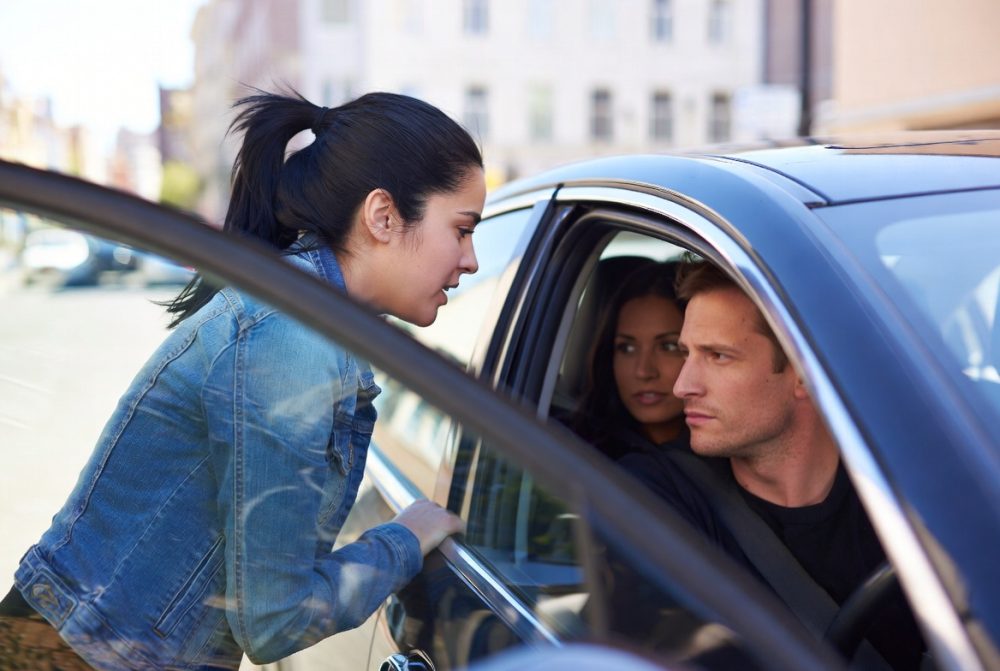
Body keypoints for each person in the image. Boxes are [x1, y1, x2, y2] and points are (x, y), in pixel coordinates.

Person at [1, 91, 484, 670]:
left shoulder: (298, 314)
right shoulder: (293, 337)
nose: (472, 259)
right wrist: (405, 537)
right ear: (383, 216)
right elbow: (274, 620)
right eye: (461, 229)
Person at [621, 261, 926, 670]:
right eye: (686, 351)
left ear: (803, 373)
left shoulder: (915, 491)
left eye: (718, 356)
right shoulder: (654, 495)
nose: (683, 385)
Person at [574, 261, 688, 461]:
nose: (643, 371)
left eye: (669, 347)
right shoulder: (572, 455)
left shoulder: (740, 466)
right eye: (627, 348)